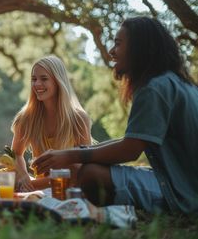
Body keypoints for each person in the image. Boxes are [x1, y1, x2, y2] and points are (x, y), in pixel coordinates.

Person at [32, 17, 198, 214]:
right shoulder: (174, 82)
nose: (111, 51)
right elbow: (133, 140)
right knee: (81, 166)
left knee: (90, 174)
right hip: (178, 179)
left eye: (118, 44)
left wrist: (71, 155)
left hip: (185, 191)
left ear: (140, 47)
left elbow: (130, 150)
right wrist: (78, 153)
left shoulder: (155, 88)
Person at [11, 55, 91, 191]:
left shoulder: (79, 118)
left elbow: (82, 166)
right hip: (37, 183)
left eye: (44, 79)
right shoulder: (26, 117)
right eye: (34, 79)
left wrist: (29, 184)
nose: (36, 84)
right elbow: (15, 154)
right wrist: (24, 175)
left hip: (67, 183)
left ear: (58, 81)